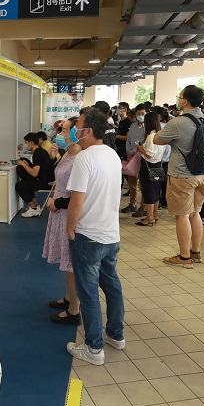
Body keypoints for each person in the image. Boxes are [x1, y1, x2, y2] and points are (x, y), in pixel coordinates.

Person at [65, 107, 126, 365]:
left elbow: (77, 201)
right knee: (112, 286)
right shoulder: (112, 154)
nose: (74, 129)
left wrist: (70, 228)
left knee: (88, 293)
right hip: (111, 234)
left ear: (88, 130)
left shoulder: (85, 159)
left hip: (88, 236)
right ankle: (116, 334)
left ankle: (93, 348)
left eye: (78, 125)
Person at [153, 85, 204, 268]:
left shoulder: (178, 122)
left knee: (182, 216)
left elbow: (157, 140)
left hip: (182, 175)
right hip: (203, 173)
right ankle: (196, 252)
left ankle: (184, 258)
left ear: (185, 101)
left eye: (180, 97)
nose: (178, 99)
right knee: (195, 213)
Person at [43, 142, 84, 325]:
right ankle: (69, 297)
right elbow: (53, 178)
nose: (61, 134)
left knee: (70, 262)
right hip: (59, 210)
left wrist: (57, 203)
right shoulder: (66, 154)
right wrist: (53, 158)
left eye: (65, 130)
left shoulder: (81, 158)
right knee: (65, 260)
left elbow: (78, 196)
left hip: (67, 211)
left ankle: (74, 309)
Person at [136, 112, 166, 226]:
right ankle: (155, 214)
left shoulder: (151, 136)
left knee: (149, 192)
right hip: (158, 165)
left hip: (149, 166)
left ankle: (149, 218)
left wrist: (140, 148)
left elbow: (149, 155)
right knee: (156, 191)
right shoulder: (161, 134)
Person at [16, 132, 55, 217]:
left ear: (31, 142)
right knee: (27, 181)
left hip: (45, 183)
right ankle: (35, 207)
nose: (25, 145)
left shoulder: (37, 153)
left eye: (26, 142)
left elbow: (34, 173)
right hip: (47, 180)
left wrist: (23, 164)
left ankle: (33, 208)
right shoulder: (40, 151)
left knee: (20, 186)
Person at [122, 104, 148, 217]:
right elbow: (128, 140)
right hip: (131, 157)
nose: (140, 116)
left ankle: (143, 206)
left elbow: (145, 143)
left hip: (141, 157)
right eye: (138, 113)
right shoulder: (133, 126)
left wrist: (133, 152)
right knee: (132, 181)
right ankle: (132, 203)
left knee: (143, 183)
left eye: (142, 114)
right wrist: (128, 152)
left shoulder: (148, 127)